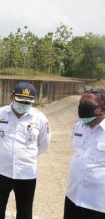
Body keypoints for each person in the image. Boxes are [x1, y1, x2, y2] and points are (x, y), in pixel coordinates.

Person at [0, 82, 51, 219]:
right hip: (1, 171)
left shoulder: (40, 119)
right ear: (12, 96)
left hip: (26, 174)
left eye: (28, 102)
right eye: (20, 101)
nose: (23, 105)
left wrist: (25, 155)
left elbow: (43, 145)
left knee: (25, 211)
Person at [63, 89, 105, 219]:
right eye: (80, 102)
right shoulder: (78, 125)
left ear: (102, 109)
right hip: (73, 196)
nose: (82, 107)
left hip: (98, 204)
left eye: (87, 104)